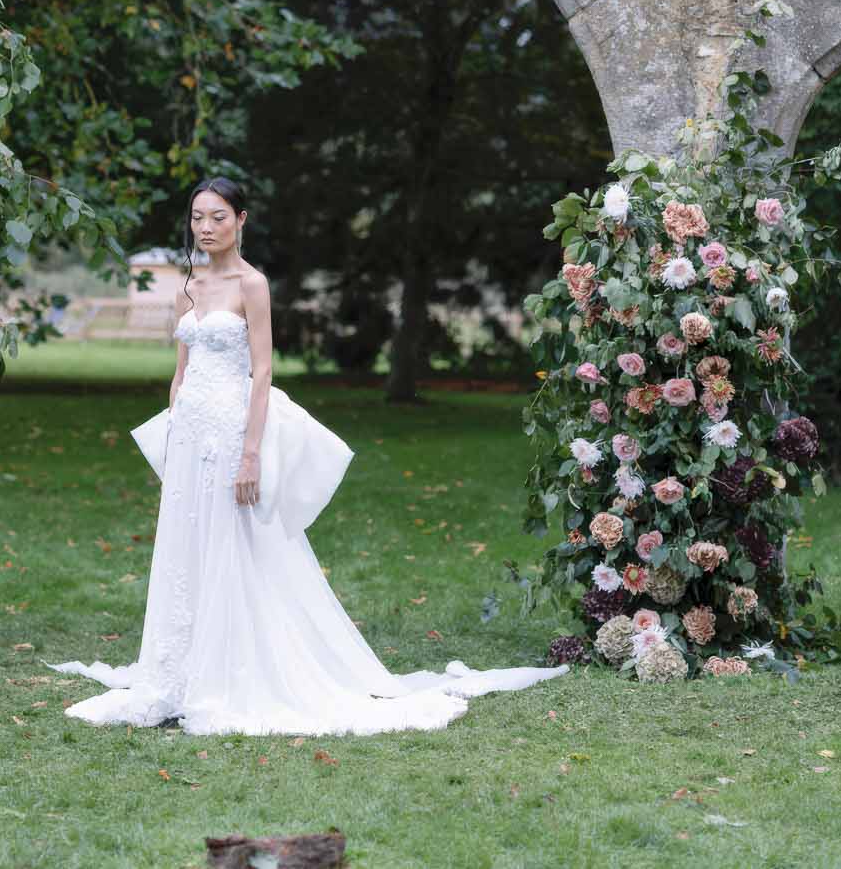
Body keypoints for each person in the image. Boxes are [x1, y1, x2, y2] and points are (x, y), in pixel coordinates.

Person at [49, 174, 568, 734]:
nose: (205, 227)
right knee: (187, 544)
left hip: (232, 430)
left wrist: (250, 455)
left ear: (241, 220)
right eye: (198, 217)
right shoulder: (188, 287)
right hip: (190, 432)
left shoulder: (253, 284)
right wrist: (174, 428)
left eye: (218, 216)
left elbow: (263, 369)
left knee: (237, 542)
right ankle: (178, 670)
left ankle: (233, 673)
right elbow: (182, 369)